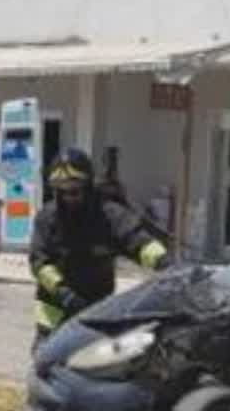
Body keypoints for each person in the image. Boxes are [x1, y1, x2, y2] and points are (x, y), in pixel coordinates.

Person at [29, 147, 172, 348]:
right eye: (62, 191)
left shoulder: (109, 216)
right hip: (54, 310)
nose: (69, 197)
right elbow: (39, 262)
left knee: (101, 364)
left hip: (97, 307)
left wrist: (166, 263)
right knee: (46, 362)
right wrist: (64, 293)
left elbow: (138, 241)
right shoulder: (47, 218)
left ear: (87, 186)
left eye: (74, 190)